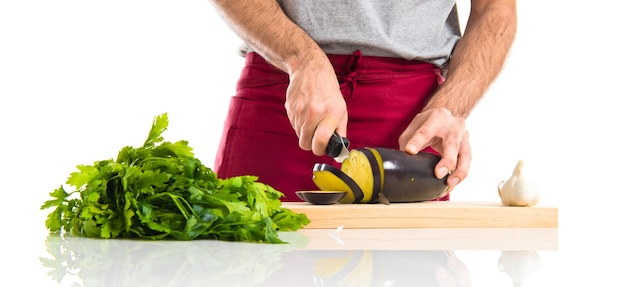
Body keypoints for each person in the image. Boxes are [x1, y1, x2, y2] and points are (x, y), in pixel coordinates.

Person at [209, 0, 517, 202]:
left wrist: (452, 106)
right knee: (254, 286)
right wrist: (301, 59)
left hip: (413, 126)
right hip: (285, 104)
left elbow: (495, 9)